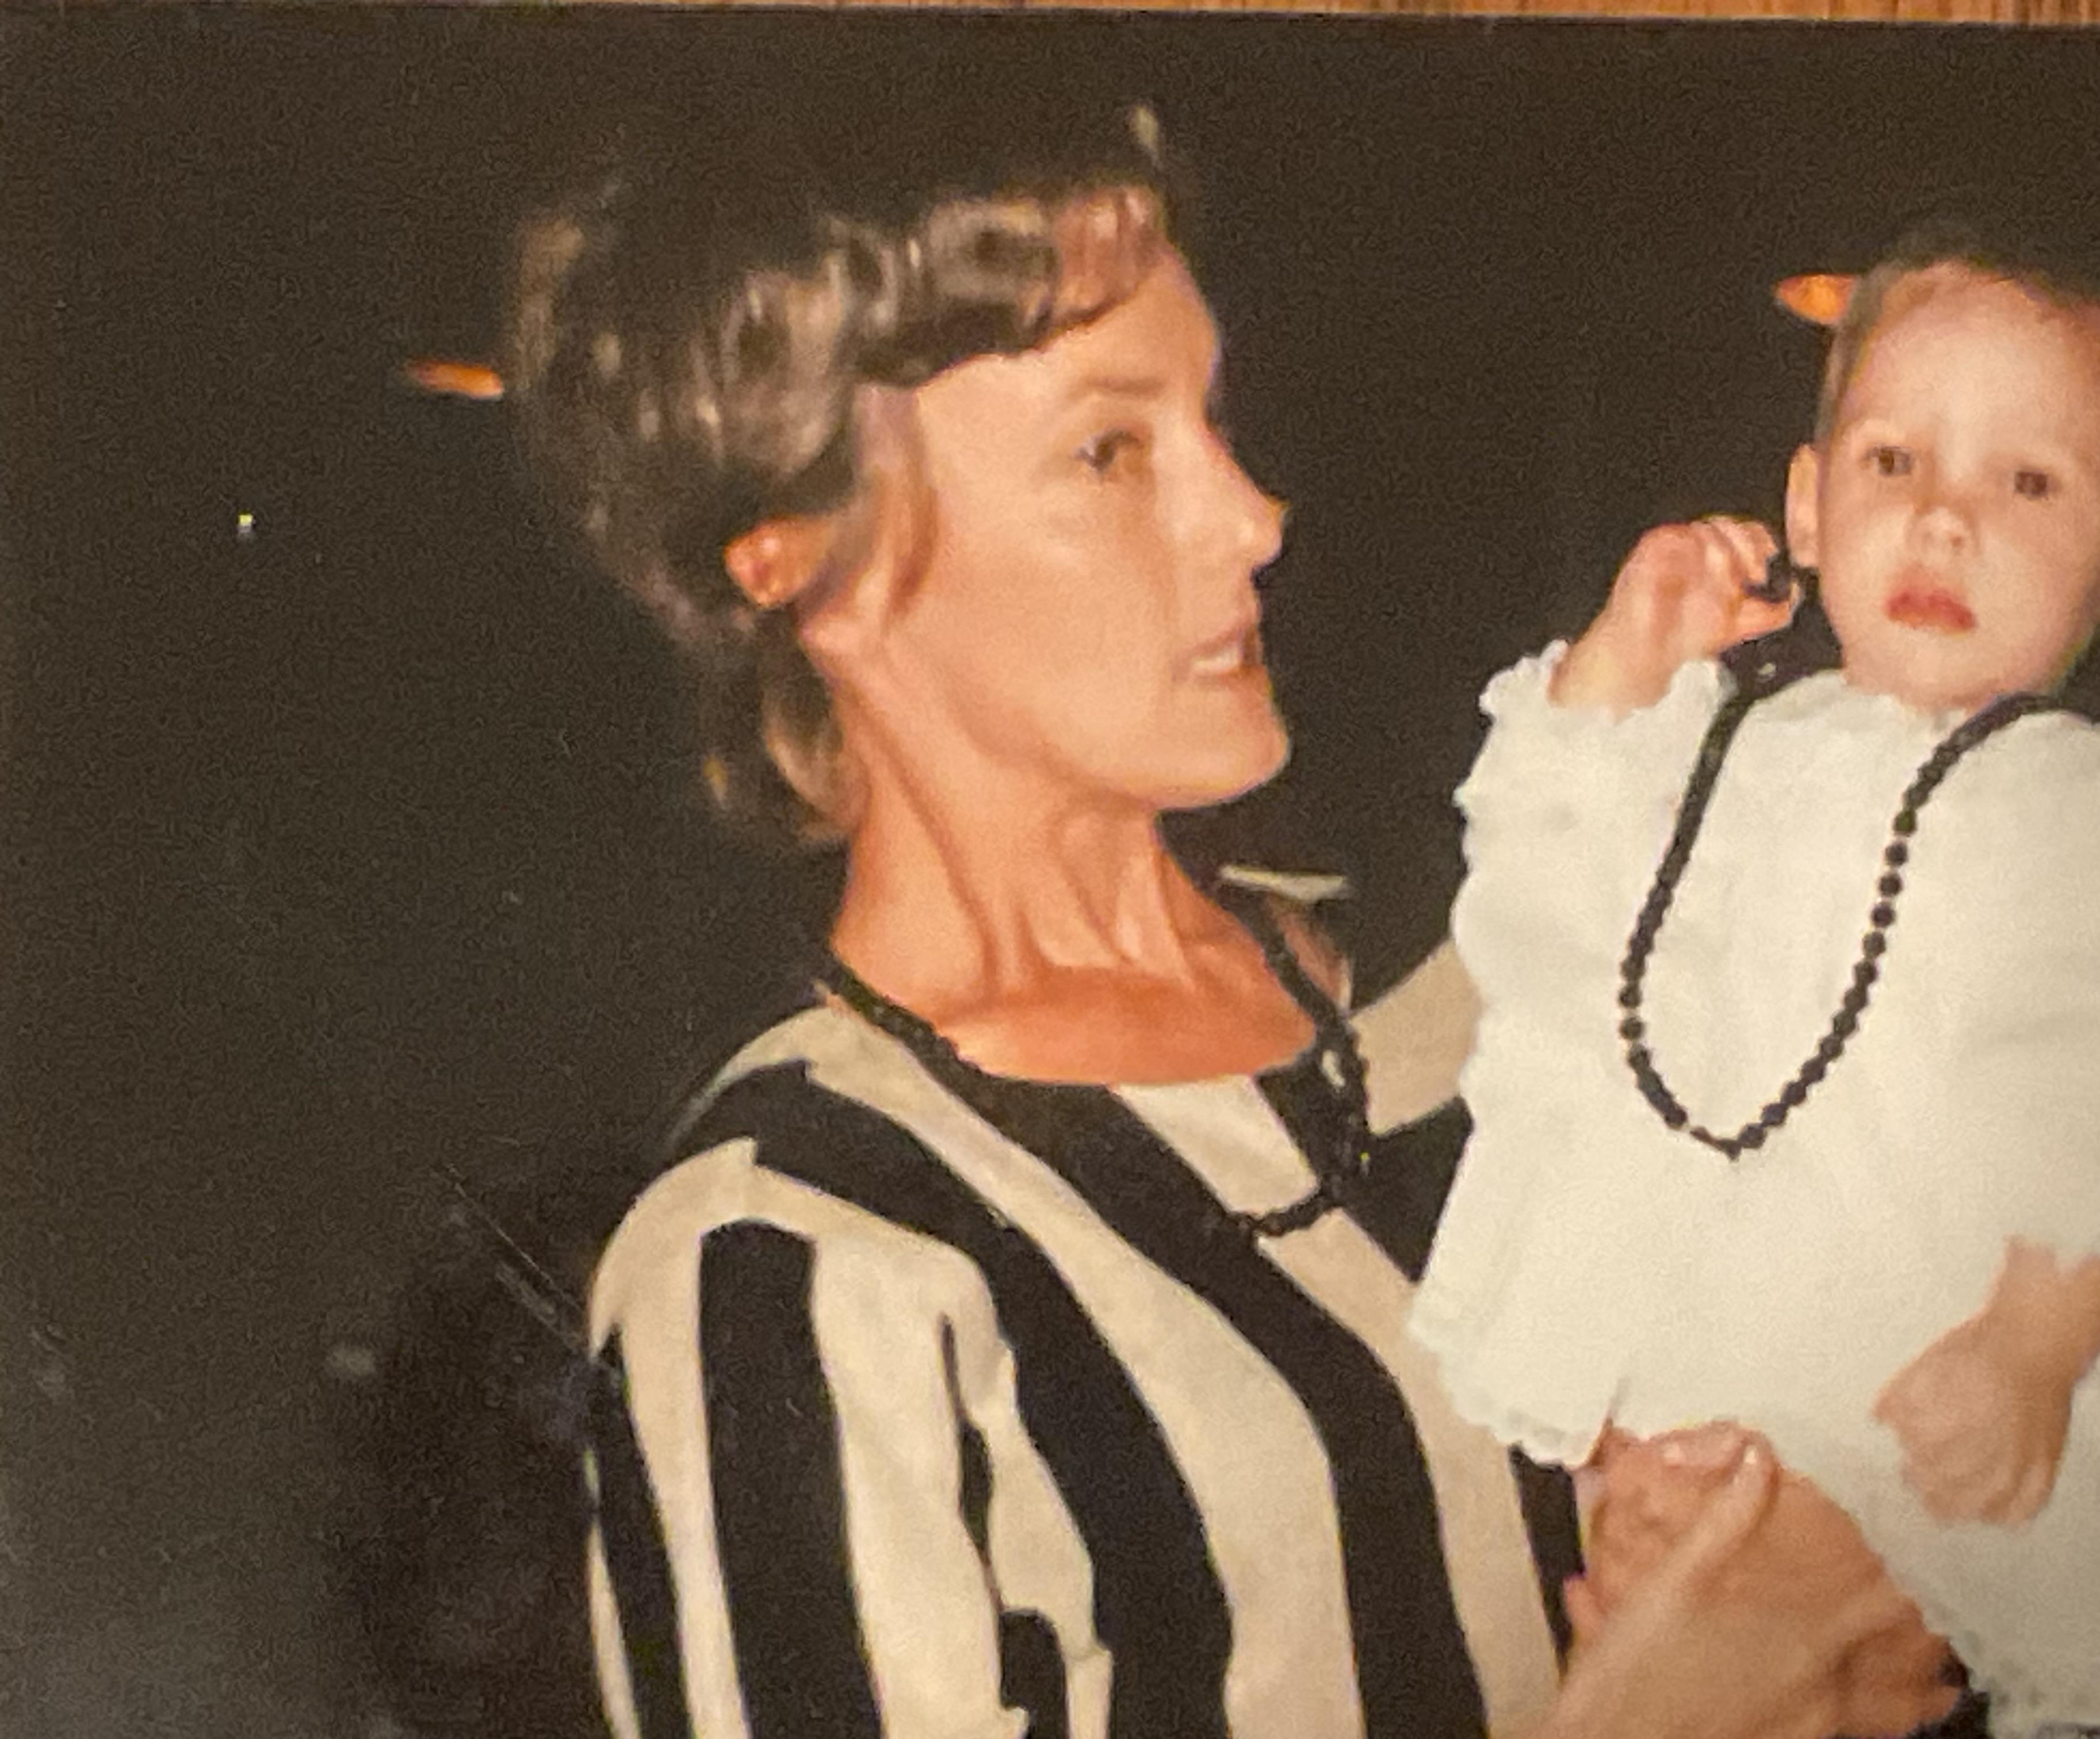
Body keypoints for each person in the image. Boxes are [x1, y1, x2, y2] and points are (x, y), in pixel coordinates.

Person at [504, 98, 1963, 1739]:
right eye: (1110, 452)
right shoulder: (789, 1260)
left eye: (1209, 417)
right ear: (801, 563)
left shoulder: (1494, 999)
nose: (1250, 516)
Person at [1410, 219, 2100, 1736]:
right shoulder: (1726, 741)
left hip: (1909, 1415)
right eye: (1895, 462)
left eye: (2028, 484)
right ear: (1808, 503)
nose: (1944, 521)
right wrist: (1617, 677)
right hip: (1679, 1396)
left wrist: (2037, 1335)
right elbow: (1553, 928)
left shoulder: (2084, 808)